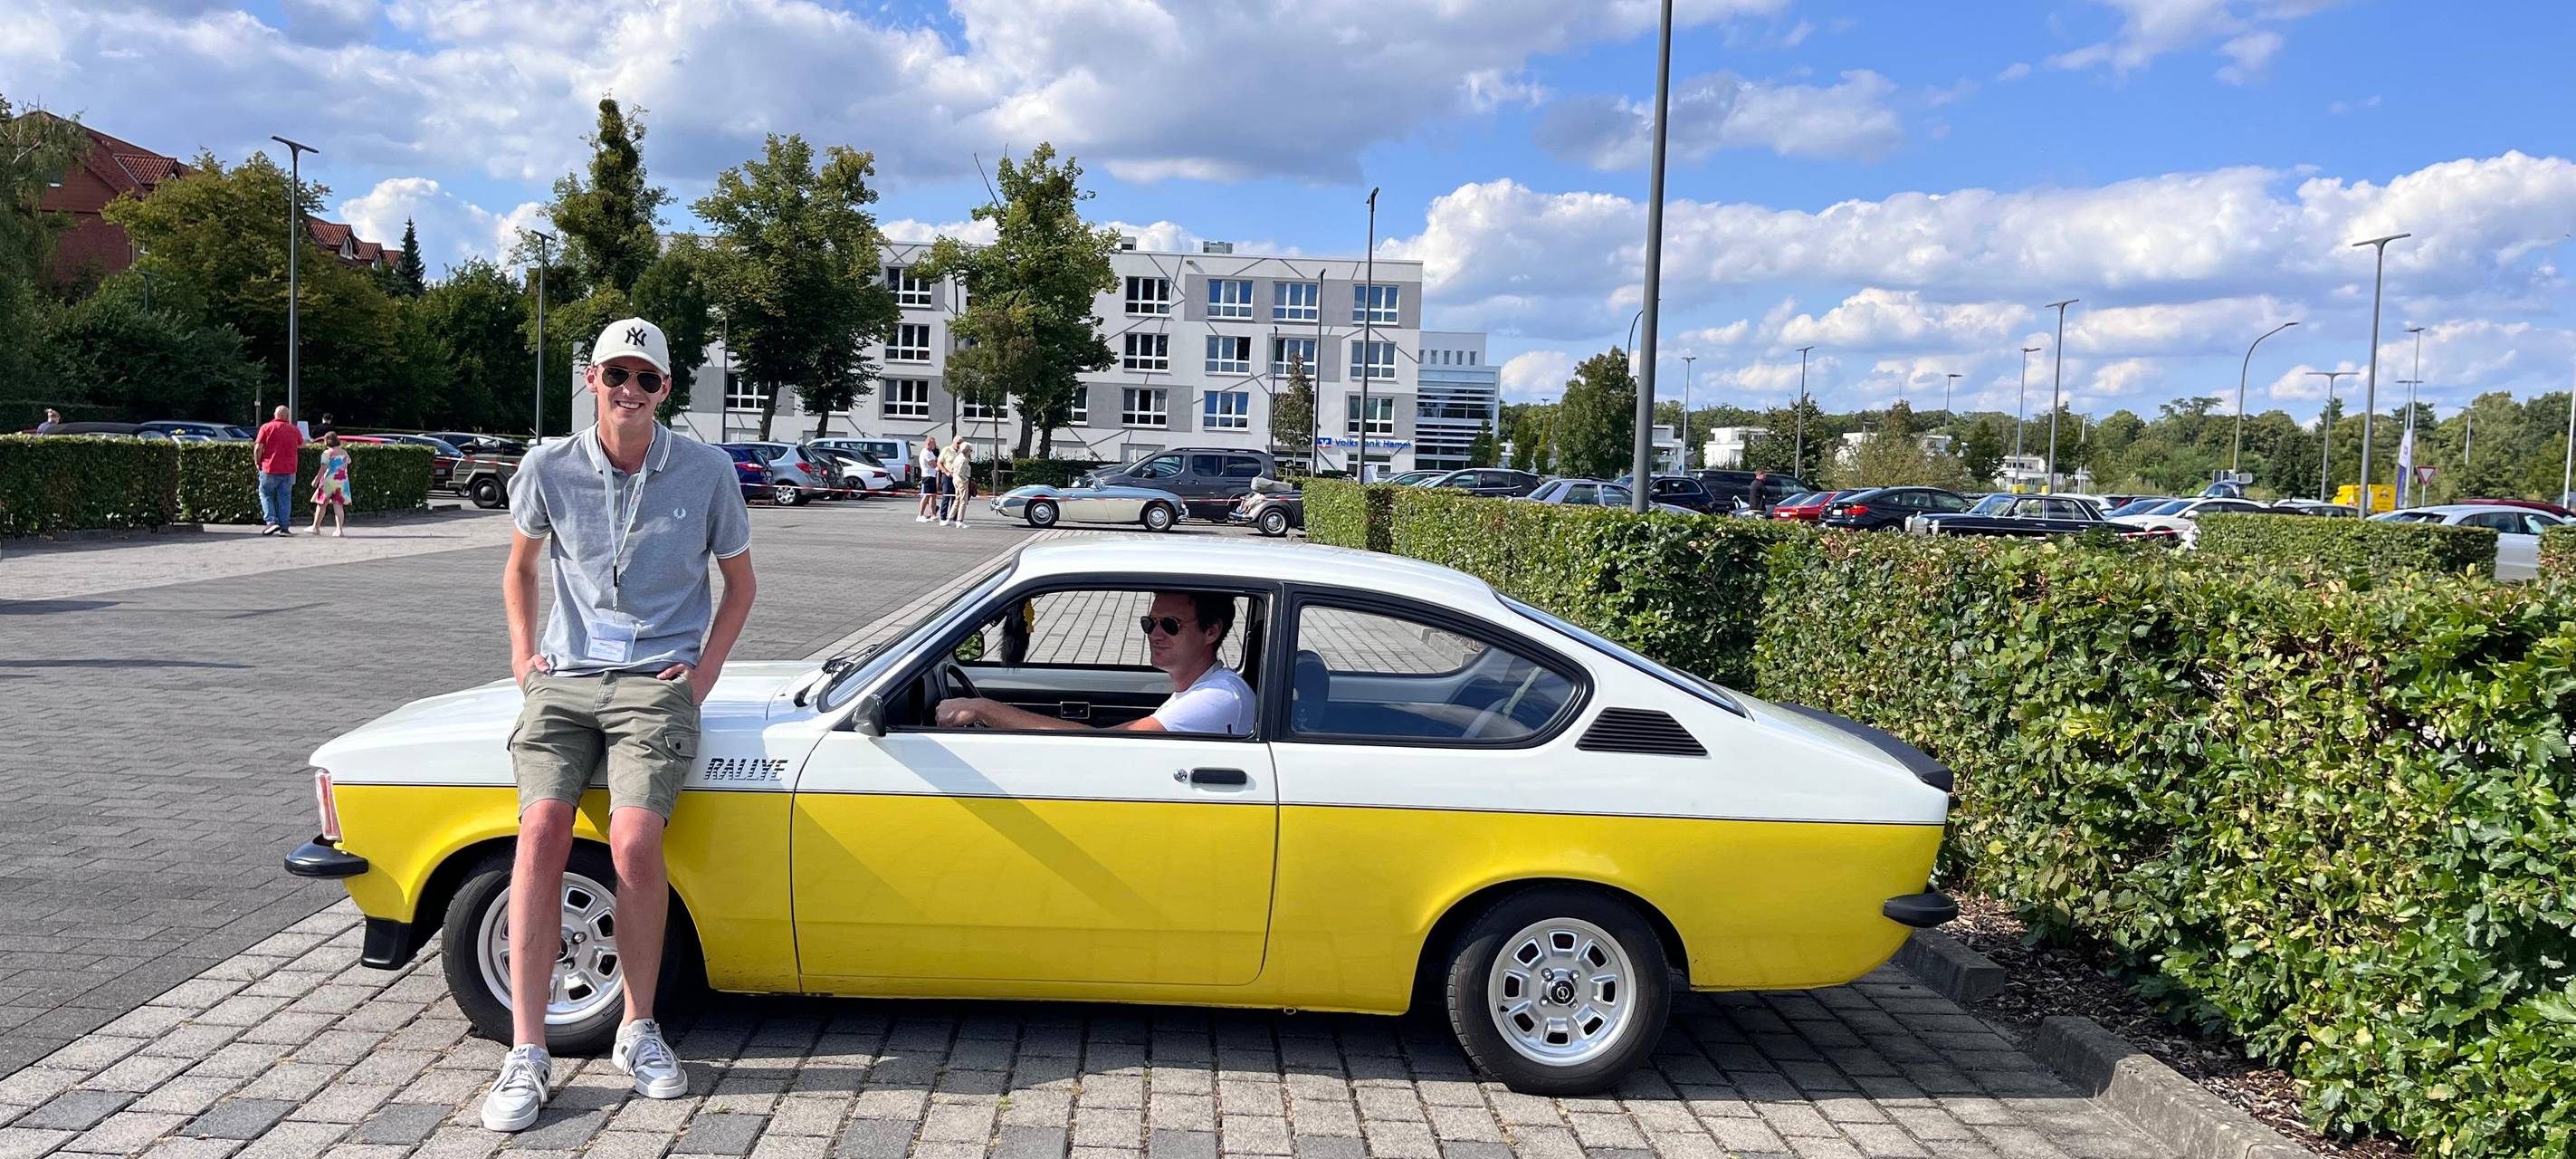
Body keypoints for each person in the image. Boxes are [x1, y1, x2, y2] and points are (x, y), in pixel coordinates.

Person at [482, 317, 757, 1134]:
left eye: (646, 378)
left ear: (665, 389)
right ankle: (527, 1050)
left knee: (636, 842)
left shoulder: (705, 471)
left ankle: (638, 1031)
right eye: (614, 376)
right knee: (540, 833)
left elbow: (739, 586)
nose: (629, 391)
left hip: (654, 684)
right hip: (565, 683)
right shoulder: (548, 467)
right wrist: (525, 660)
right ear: (591, 381)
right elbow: (520, 570)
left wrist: (701, 678)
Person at [935, 591, 1253, 735]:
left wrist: (985, 709)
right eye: (1149, 623)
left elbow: (1111, 744)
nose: (1154, 634)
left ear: (1211, 632)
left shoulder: (1217, 697)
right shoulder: (1197, 690)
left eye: (1170, 624)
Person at [253, 406, 302, 536]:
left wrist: (257, 462)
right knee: (285, 497)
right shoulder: (294, 429)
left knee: (265, 494)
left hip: (269, 467)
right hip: (289, 469)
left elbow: (258, 447)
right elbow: (301, 444)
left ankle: (271, 522)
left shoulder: (266, 427)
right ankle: (284, 527)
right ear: (287, 416)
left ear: (275, 415)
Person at [309, 433, 351, 537]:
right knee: (338, 505)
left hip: (328, 481)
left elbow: (323, 468)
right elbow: (348, 462)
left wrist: (316, 480)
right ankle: (339, 530)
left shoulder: (327, 453)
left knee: (321, 504)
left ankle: (316, 527)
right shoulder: (344, 453)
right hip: (342, 481)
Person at [943, 439, 974, 528]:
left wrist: (954, 475)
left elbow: (952, 468)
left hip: (955, 479)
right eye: (970, 450)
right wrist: (965, 480)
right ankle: (960, 521)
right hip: (962, 480)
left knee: (957, 499)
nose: (971, 452)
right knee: (963, 501)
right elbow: (961, 471)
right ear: (967, 450)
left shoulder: (957, 457)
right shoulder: (964, 459)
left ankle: (949, 518)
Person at [915, 436, 941, 522]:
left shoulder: (931, 452)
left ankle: (933, 515)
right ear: (929, 444)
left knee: (933, 496)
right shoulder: (926, 452)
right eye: (934, 443)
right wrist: (938, 465)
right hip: (927, 476)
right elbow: (933, 464)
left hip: (932, 476)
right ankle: (920, 515)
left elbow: (937, 460)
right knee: (926, 495)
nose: (935, 445)